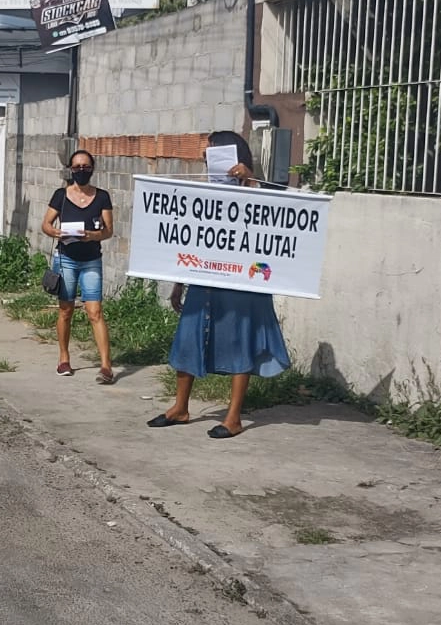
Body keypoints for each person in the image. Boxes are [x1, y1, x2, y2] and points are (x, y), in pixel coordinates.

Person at [148, 132, 290, 439]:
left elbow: (275, 220)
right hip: (205, 280)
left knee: (240, 342)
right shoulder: (206, 196)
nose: (206, 159)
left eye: (213, 153)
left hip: (243, 285)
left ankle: (233, 416)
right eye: (206, 156)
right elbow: (192, 241)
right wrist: (179, 284)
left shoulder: (257, 190)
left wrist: (249, 180)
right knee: (188, 337)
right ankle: (180, 408)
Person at [40, 148, 116, 384]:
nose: (81, 171)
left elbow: (108, 231)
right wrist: (56, 232)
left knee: (95, 312)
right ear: (70, 169)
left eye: (86, 167)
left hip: (91, 259)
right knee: (66, 309)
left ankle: (106, 366)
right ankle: (64, 357)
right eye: (77, 167)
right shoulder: (61, 195)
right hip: (66, 260)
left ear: (92, 169)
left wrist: (91, 236)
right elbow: (46, 224)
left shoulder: (102, 196)